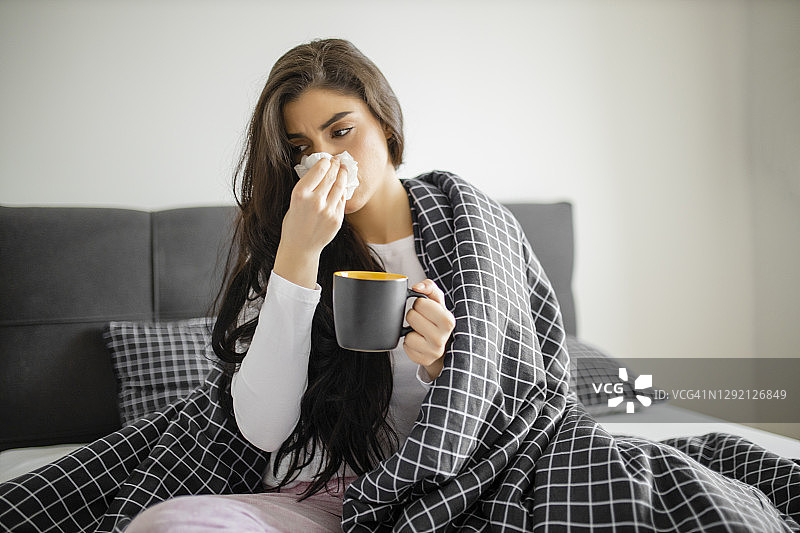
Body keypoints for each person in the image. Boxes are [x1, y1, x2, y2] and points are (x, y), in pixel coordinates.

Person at [126, 37, 456, 532]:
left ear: (385, 126)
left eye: (341, 132)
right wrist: (297, 256)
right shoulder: (282, 245)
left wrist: (441, 367)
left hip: (436, 496)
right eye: (301, 148)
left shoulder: (466, 237)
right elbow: (264, 429)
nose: (324, 161)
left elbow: (519, 402)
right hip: (312, 500)